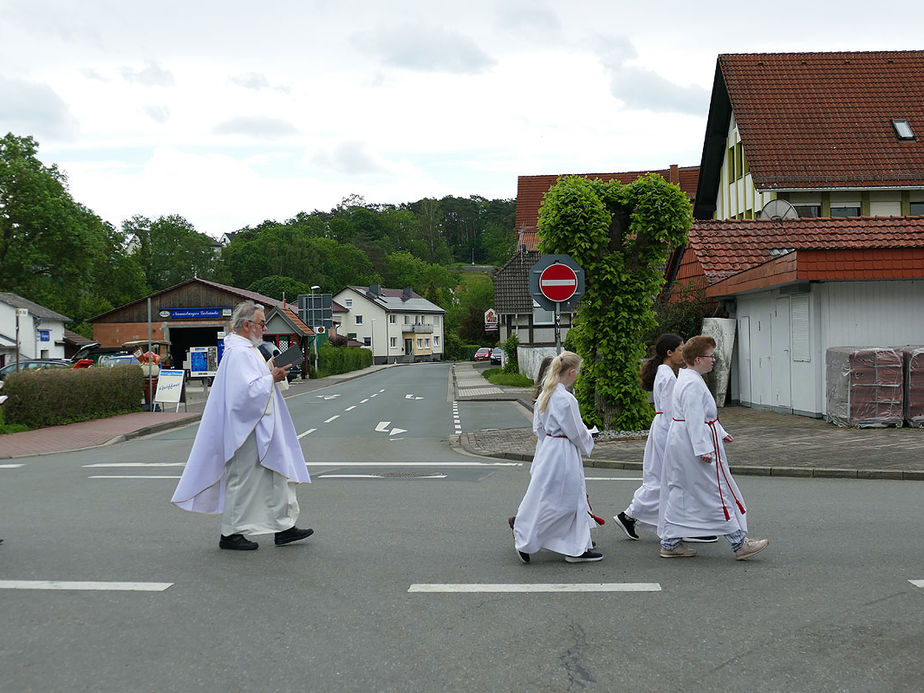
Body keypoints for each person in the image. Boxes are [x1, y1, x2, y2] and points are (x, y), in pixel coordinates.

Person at [171, 301, 313, 551]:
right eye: (261, 323)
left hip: (261, 425)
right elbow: (242, 394)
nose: (265, 328)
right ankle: (230, 533)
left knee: (278, 475)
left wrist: (272, 371)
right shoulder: (238, 353)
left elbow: (254, 382)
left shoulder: (248, 349)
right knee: (243, 479)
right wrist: (272, 376)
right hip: (246, 429)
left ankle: (284, 527)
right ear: (247, 325)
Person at [657, 336, 769, 560]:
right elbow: (695, 418)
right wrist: (703, 449)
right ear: (698, 359)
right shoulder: (692, 384)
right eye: (710, 356)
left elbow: (701, 417)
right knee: (714, 489)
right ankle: (739, 544)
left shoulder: (689, 379)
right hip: (691, 443)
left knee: (682, 488)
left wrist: (720, 432)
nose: (714, 360)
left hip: (682, 440)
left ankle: (670, 542)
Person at [513, 351, 602, 564]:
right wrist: (589, 438)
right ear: (571, 372)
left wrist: (550, 443)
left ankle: (576, 545)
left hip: (549, 449)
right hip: (563, 451)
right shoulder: (565, 398)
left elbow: (539, 428)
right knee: (569, 499)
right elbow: (576, 431)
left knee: (547, 496)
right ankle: (529, 538)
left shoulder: (546, 394)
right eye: (577, 372)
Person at [614, 334, 692, 540]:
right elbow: (670, 410)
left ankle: (637, 517)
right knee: (663, 479)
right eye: (681, 349)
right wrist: (677, 437)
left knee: (665, 478)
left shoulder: (665, 372)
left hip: (663, 428)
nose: (683, 353)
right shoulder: (667, 376)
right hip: (666, 429)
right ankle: (629, 515)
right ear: (670, 352)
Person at [507, 355, 554, 531]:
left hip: (546, 448)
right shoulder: (549, 397)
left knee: (546, 492)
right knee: (546, 493)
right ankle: (522, 523)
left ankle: (579, 536)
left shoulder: (542, 395)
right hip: (550, 450)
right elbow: (539, 429)